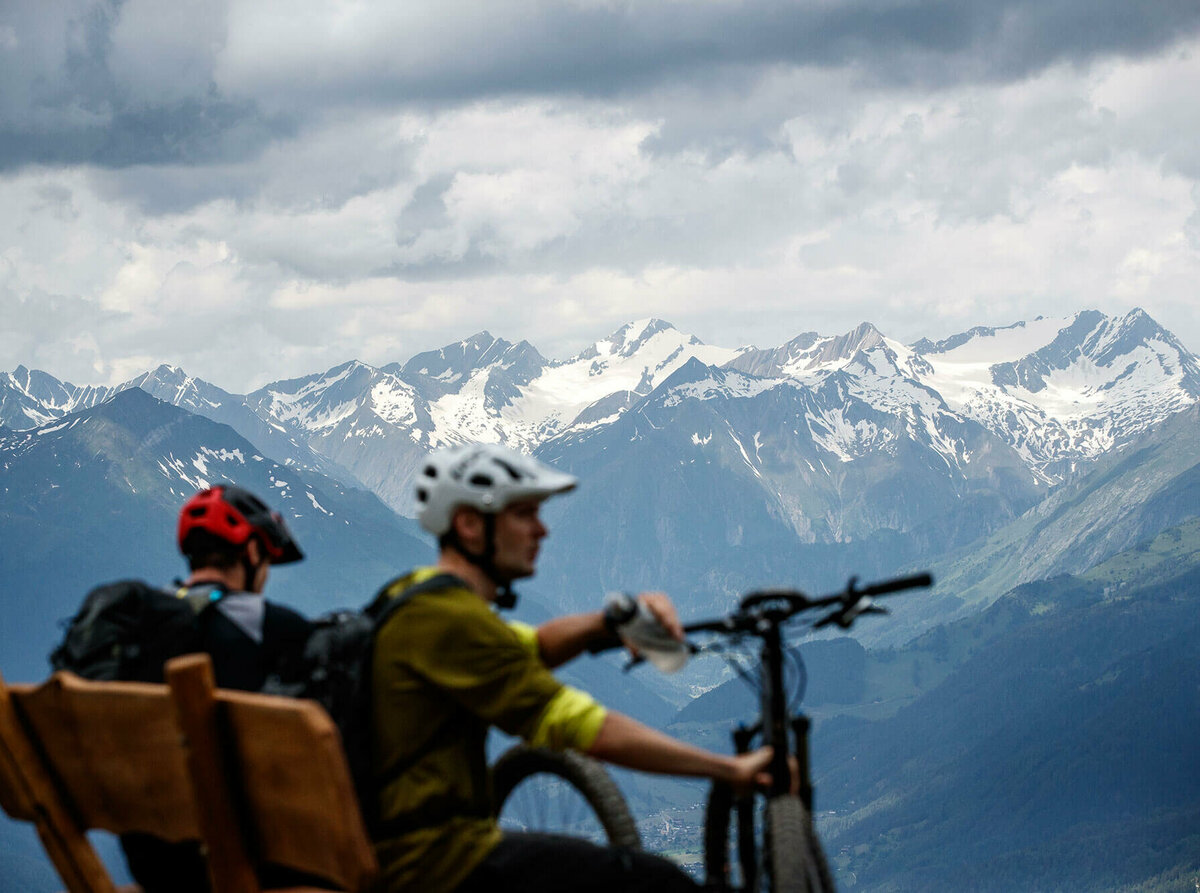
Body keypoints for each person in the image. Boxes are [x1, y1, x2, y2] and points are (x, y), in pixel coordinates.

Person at [369, 444, 778, 893]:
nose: (542, 530)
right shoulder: (453, 620)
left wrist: (611, 622)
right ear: (469, 524)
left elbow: (535, 646)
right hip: (436, 865)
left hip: (407, 851)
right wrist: (727, 768)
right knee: (660, 882)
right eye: (524, 514)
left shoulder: (417, 596)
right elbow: (589, 729)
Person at [120, 483, 312, 892]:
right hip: (244, 866)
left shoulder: (136, 625)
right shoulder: (276, 628)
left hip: (153, 864)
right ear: (254, 553)